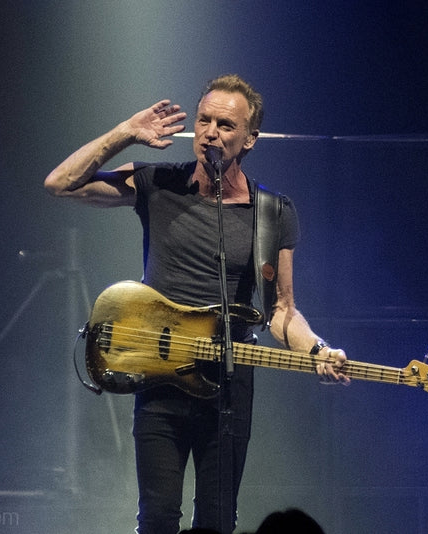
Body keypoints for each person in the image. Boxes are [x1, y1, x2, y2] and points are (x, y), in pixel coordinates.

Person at [44, 74, 350, 534]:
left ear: (250, 140)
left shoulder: (272, 213)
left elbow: (282, 311)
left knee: (218, 521)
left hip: (227, 383)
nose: (209, 131)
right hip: (159, 377)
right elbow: (60, 184)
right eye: (204, 119)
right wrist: (125, 132)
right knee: (159, 518)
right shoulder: (159, 183)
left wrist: (318, 351)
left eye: (225, 125)